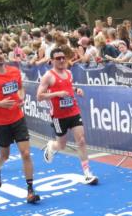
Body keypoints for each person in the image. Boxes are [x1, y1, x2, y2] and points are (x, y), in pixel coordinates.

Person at [0, 43, 40, 203]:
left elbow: (20, 88)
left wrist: (21, 98)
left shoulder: (13, 71)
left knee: (25, 153)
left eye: (1, 53)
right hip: (0, 122)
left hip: (17, 118)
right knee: (4, 155)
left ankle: (30, 190)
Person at [36, 47, 98, 184]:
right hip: (59, 116)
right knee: (61, 145)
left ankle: (87, 173)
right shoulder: (48, 76)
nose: (62, 60)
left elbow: (68, 87)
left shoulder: (69, 73)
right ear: (52, 61)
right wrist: (56, 94)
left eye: (63, 57)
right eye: (58, 58)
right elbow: (39, 96)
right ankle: (51, 146)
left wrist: (76, 89)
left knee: (81, 140)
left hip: (73, 111)